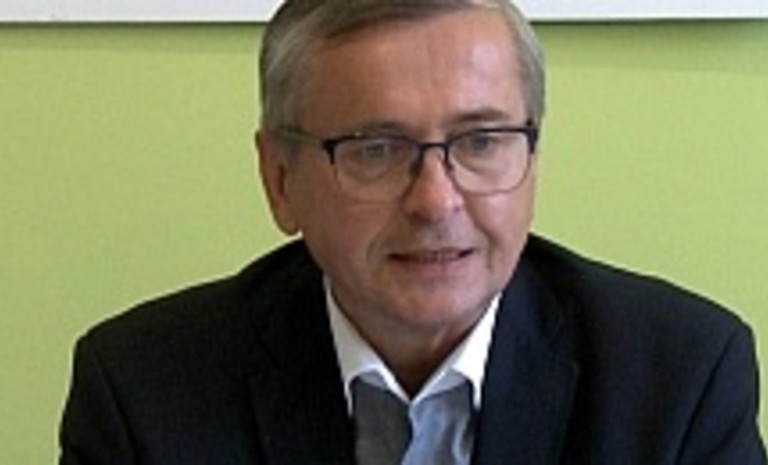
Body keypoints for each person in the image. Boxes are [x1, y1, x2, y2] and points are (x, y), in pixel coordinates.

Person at [59, 1, 766, 464]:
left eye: (481, 141)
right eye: (375, 149)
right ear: (280, 179)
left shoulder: (680, 378)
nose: (435, 200)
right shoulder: (143, 394)